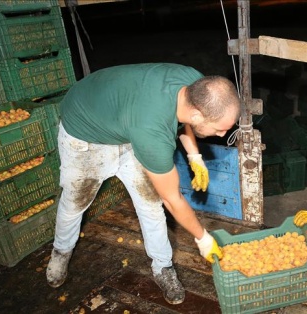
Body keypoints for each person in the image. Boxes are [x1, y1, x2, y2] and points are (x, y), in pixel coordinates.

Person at [46, 63, 240, 305]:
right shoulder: (152, 134)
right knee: (75, 203)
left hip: (128, 125)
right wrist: (202, 238)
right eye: (220, 129)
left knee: (150, 205)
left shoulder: (197, 85)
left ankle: (163, 267)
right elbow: (173, 199)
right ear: (198, 114)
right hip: (86, 134)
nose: (222, 136)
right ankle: (60, 252)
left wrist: (194, 154)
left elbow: (185, 120)